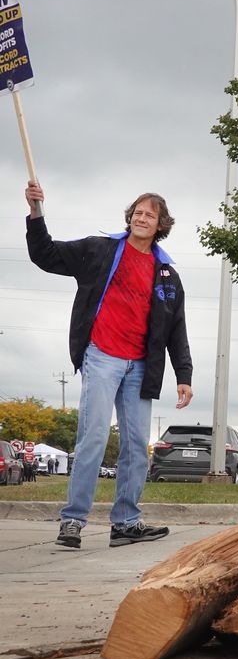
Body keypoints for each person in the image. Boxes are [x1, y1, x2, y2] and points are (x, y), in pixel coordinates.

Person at [25, 182, 193, 548]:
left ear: (162, 224)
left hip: (140, 367)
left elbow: (176, 327)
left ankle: (126, 523)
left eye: (150, 214)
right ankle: (72, 521)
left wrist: (184, 375)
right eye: (138, 212)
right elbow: (45, 255)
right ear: (129, 217)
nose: (142, 217)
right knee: (94, 438)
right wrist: (36, 212)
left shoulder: (167, 274)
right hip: (101, 356)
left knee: (136, 446)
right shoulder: (99, 250)